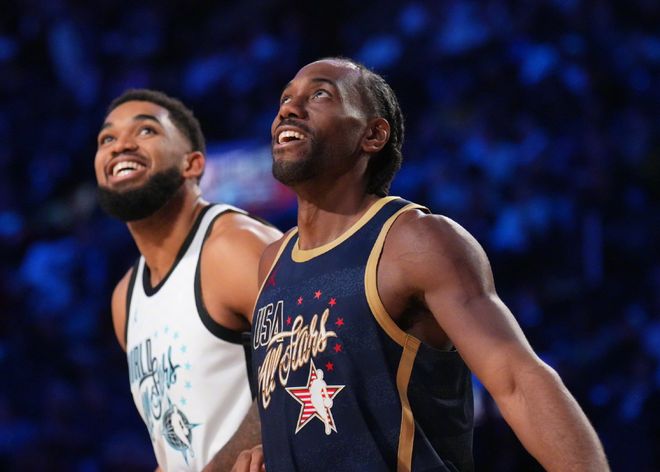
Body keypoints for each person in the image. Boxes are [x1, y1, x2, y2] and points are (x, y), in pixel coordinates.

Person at [237, 58, 610, 471]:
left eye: (319, 94)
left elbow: (518, 381)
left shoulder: (414, 241)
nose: (289, 109)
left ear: (373, 135)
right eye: (285, 98)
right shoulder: (273, 261)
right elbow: (291, 408)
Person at [94, 89, 281, 471]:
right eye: (107, 138)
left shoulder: (234, 246)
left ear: (192, 164)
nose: (120, 145)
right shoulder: (125, 299)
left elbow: (314, 361)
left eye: (145, 130)